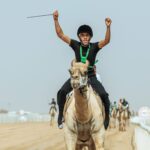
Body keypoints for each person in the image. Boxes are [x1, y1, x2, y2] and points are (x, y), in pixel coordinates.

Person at [53, 10, 112, 129]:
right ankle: (60, 116)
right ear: (79, 37)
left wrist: (108, 27)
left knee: (104, 95)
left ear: (90, 37)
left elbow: (106, 41)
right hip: (77, 76)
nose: (85, 38)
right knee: (61, 92)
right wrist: (56, 20)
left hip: (90, 77)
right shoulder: (75, 45)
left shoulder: (95, 46)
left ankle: (107, 118)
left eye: (87, 36)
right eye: (82, 35)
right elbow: (60, 34)